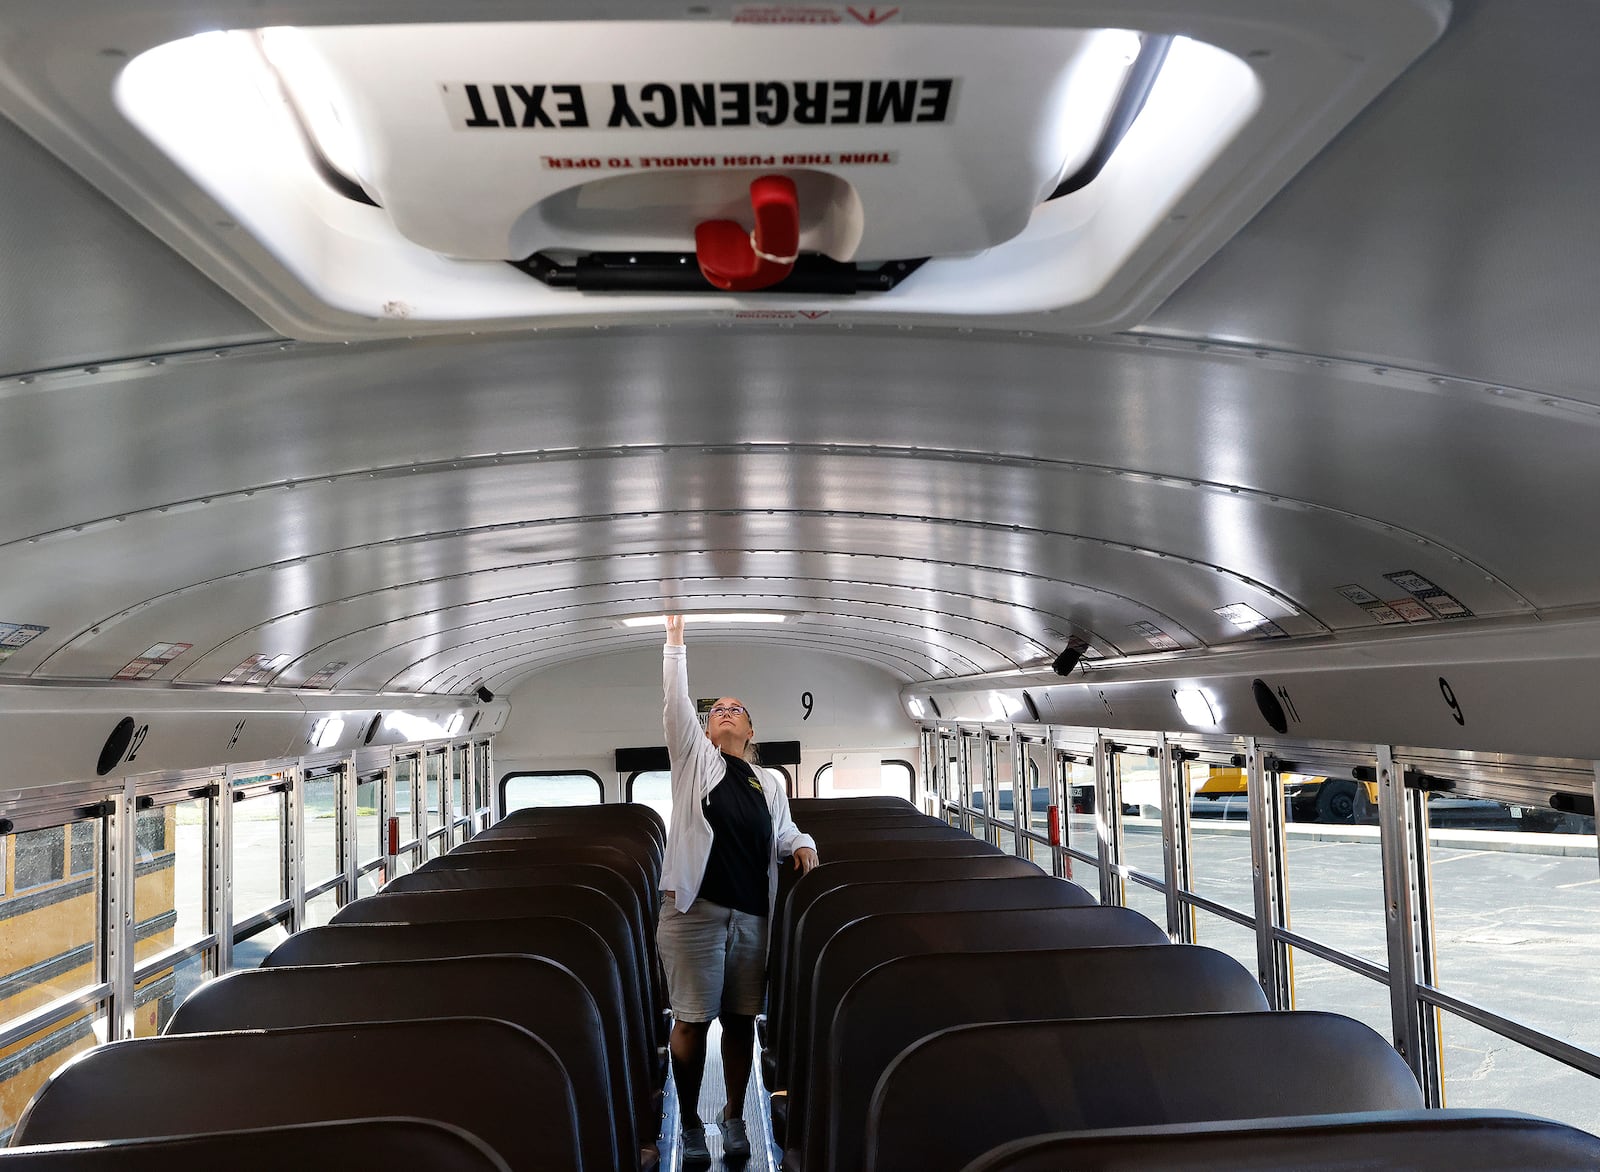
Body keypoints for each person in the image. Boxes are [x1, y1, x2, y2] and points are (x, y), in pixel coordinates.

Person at [658, 613, 818, 1167]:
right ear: (706, 732)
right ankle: (692, 1121)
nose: (724, 713)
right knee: (690, 1020)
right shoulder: (695, 761)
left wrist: (803, 843)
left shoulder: (768, 780)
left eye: (736, 710)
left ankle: (731, 1115)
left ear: (751, 732)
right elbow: (676, 706)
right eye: (716, 711)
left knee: (741, 1020)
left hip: (752, 916)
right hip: (695, 912)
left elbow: (783, 830)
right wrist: (675, 643)